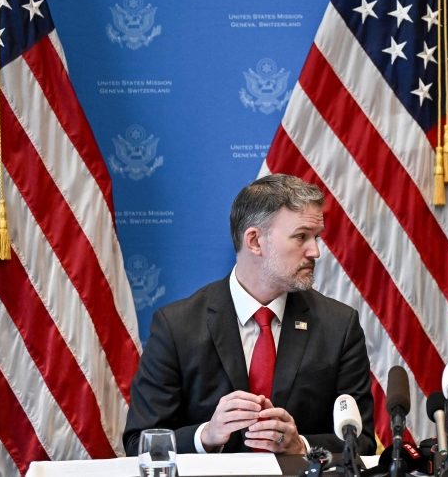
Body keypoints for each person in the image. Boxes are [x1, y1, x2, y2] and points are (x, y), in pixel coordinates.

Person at [123, 174, 375, 456]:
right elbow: (139, 444)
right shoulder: (177, 326)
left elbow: (362, 442)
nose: (315, 251)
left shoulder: (339, 325)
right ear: (254, 241)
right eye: (301, 236)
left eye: (316, 237)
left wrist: (301, 445)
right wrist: (205, 436)